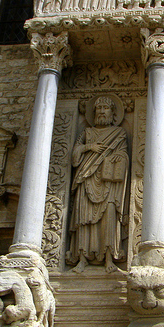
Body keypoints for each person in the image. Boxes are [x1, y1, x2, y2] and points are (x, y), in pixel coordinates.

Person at [68, 96, 129, 273]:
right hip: (87, 180)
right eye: (99, 108)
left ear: (113, 112)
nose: (102, 111)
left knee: (109, 218)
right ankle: (81, 258)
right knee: (83, 219)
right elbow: (74, 155)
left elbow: (124, 155)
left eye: (105, 108)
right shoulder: (86, 133)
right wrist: (89, 147)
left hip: (108, 182)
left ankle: (109, 257)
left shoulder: (119, 133)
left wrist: (119, 157)